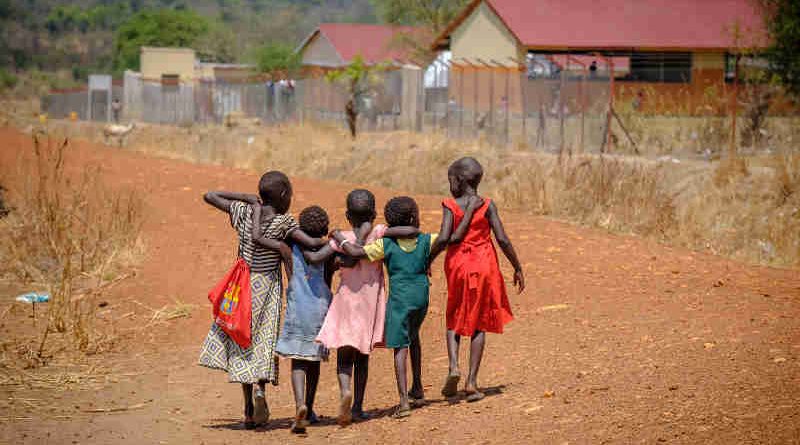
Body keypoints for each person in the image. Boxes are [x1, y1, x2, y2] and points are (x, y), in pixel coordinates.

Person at [198, 171, 325, 430]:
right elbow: (309, 241)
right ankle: (260, 388)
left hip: (240, 287)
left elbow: (210, 195)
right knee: (263, 342)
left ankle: (248, 409)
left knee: (243, 339)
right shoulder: (283, 222)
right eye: (289, 193)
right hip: (266, 287)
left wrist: (247, 198)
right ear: (281, 195)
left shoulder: (244, 213)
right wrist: (334, 238)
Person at [428, 157, 525, 402]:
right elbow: (502, 238)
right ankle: (471, 382)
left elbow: (443, 238)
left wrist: (426, 261)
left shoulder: (451, 204)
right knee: (480, 321)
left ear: (458, 180)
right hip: (485, 265)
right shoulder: (488, 204)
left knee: (454, 315)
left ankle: (453, 367)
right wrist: (517, 266)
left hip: (459, 265)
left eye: (450, 179)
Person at [317, 189, 417, 426]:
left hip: (344, 302)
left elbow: (321, 258)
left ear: (348, 215)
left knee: (343, 356)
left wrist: (339, 242)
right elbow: (411, 231)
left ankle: (344, 392)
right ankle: (358, 406)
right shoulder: (380, 233)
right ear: (373, 213)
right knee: (362, 357)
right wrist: (374, 228)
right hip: (368, 304)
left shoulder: (341, 237)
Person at [261, 205, 335, 434]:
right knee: (313, 360)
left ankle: (299, 405)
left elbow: (262, 240)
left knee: (297, 361)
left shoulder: (287, 248)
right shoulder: (329, 252)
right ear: (324, 229)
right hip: (320, 311)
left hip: (296, 312)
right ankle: (310, 409)